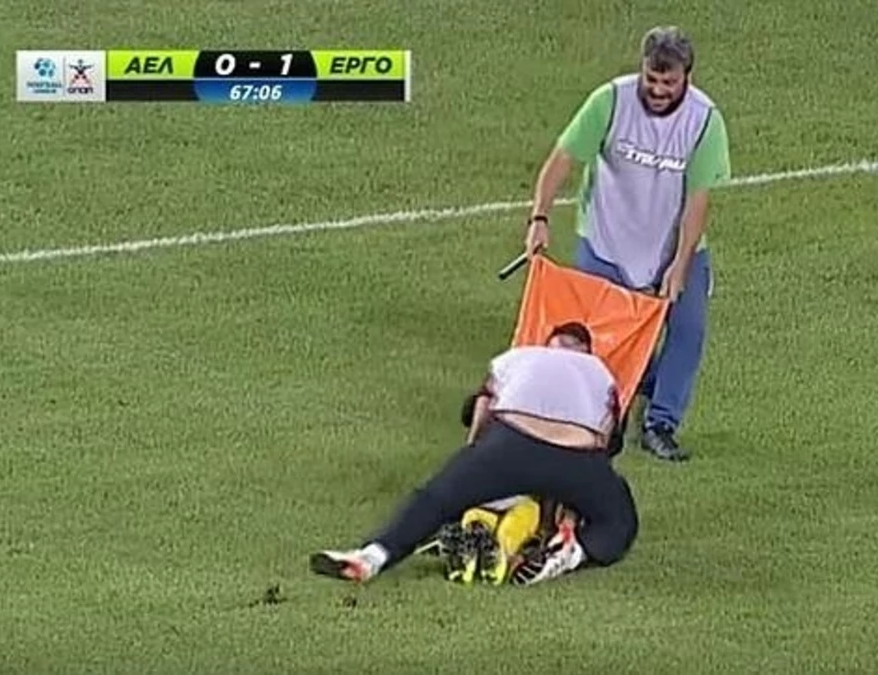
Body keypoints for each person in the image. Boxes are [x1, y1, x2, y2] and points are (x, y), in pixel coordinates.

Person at [522, 26, 731, 462]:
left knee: (687, 331)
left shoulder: (704, 121)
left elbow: (698, 201)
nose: (658, 90)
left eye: (668, 82)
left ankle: (660, 424)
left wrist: (680, 265)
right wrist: (539, 218)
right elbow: (562, 159)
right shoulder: (610, 102)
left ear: (687, 77)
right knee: (601, 336)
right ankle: (622, 395)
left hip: (673, 246)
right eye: (652, 79)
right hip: (607, 241)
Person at [309, 323, 639, 587]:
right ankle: (572, 551)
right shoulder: (599, 371)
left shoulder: (520, 356)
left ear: (549, 342)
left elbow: (484, 403)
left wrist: (471, 460)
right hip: (576, 456)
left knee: (435, 498)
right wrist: (583, 497)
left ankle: (373, 556)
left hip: (510, 444)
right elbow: (608, 438)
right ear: (585, 350)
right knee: (619, 520)